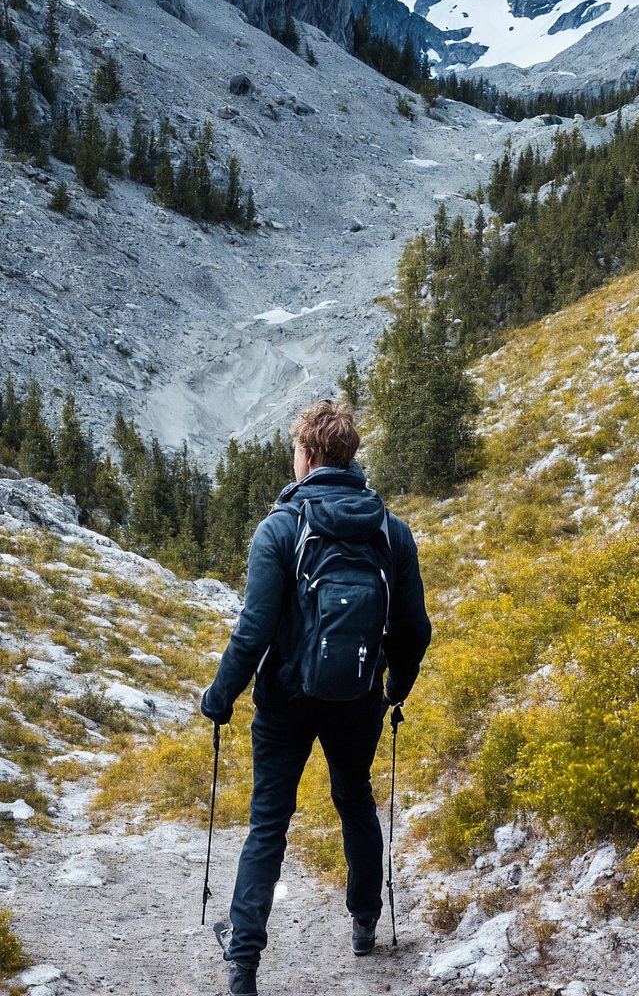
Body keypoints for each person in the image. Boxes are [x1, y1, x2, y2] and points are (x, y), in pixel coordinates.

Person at [201, 399, 432, 996]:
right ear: (349, 456)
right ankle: (363, 922)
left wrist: (220, 697)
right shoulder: (391, 531)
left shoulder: (279, 528)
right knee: (354, 798)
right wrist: (394, 689)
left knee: (268, 823)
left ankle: (245, 961)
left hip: (284, 699)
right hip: (359, 695)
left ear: (306, 455)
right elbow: (414, 629)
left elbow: (252, 631)